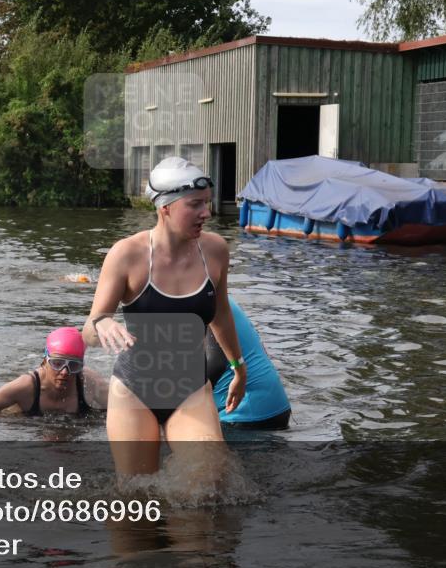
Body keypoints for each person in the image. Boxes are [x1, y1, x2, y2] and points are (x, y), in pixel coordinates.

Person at [82, 156, 246, 476]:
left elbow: (221, 314)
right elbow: (89, 328)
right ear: (166, 207)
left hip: (190, 388)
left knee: (208, 480)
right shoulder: (127, 254)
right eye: (195, 204)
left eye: (207, 203)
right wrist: (103, 322)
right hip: (134, 389)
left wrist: (238, 367)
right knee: (135, 497)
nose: (207, 213)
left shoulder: (215, 251)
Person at [0, 327, 109, 419]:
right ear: (45, 360)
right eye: (57, 363)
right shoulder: (25, 387)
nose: (65, 372)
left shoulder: (89, 382)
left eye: (74, 365)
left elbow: (123, 410)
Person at [206, 298, 291, 430]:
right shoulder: (215, 298)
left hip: (244, 414)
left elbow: (215, 364)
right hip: (274, 406)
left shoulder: (205, 303)